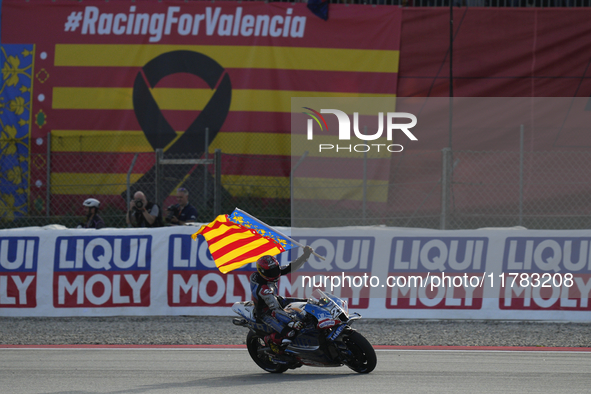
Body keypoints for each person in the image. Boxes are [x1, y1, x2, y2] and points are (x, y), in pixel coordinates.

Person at [250, 245, 314, 352]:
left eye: (276, 269)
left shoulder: (271, 271)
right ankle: (269, 340)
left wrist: (305, 256)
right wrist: (291, 322)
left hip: (276, 299)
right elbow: (275, 310)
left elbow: (290, 267)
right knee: (290, 333)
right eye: (271, 272)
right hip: (266, 312)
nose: (275, 274)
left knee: (309, 302)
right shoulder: (263, 289)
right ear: (263, 272)